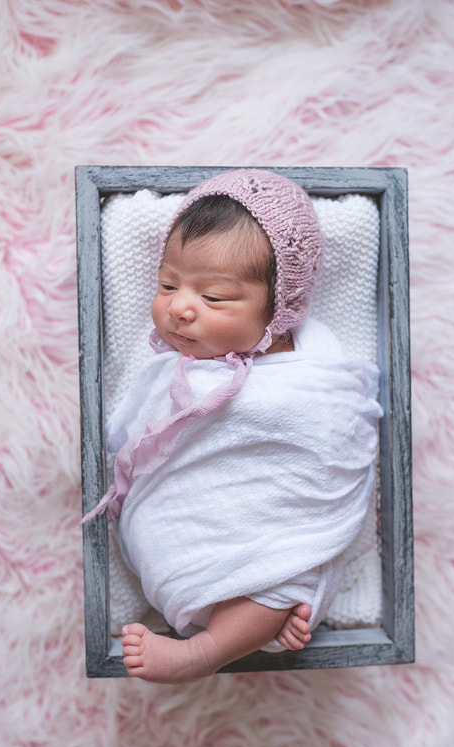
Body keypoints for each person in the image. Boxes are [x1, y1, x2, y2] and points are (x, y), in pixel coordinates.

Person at [84, 169, 381, 683]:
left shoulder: (316, 368)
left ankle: (205, 651)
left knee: (277, 586)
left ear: (278, 308)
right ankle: (260, 625)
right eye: (168, 284)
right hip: (189, 538)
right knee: (270, 596)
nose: (179, 307)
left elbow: (335, 442)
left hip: (276, 541)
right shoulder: (171, 371)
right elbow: (128, 435)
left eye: (214, 298)